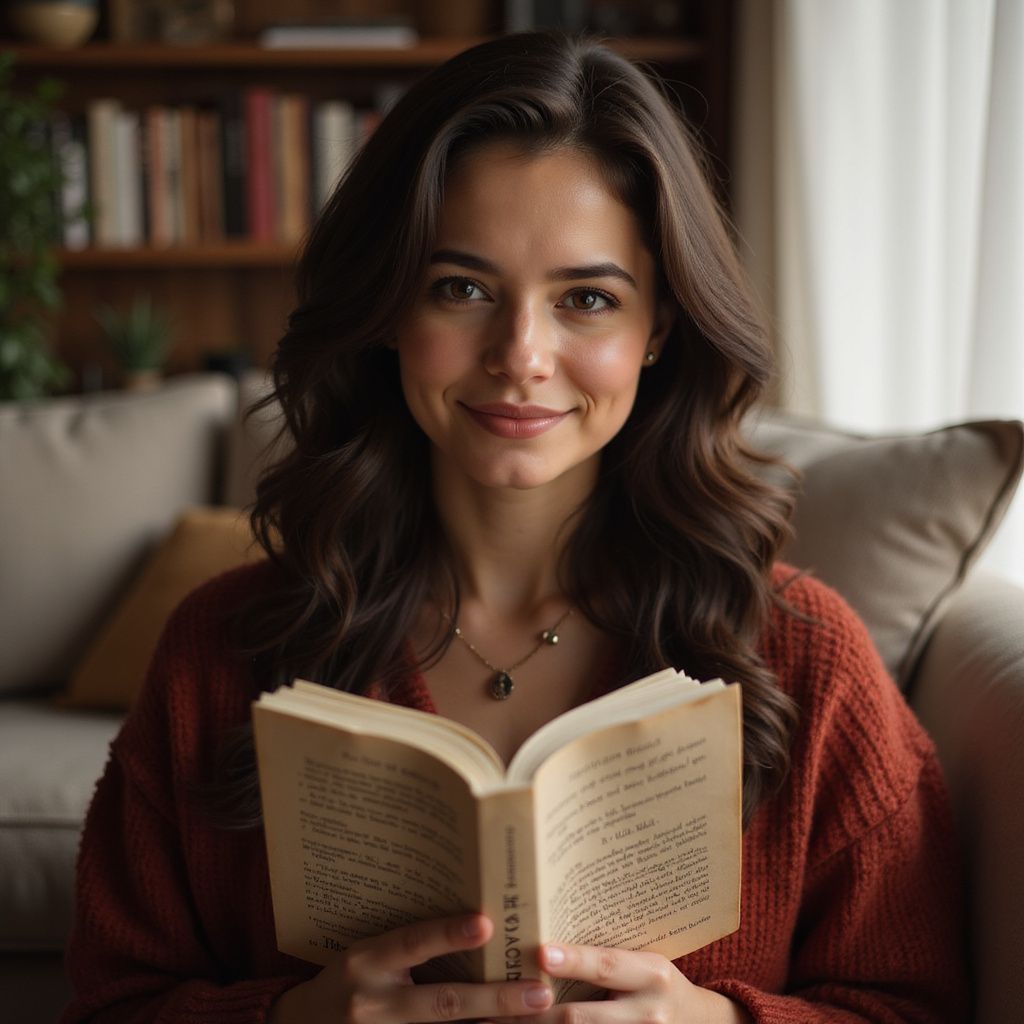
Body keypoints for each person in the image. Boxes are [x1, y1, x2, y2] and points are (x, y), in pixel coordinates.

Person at [61, 31, 969, 1024]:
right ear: (387, 307)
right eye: (462, 289)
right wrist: (291, 1018)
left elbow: (914, 1003)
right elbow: (111, 999)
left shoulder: (806, 654)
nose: (521, 355)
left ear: (659, 326)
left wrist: (712, 1020)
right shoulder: (220, 649)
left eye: (587, 299)